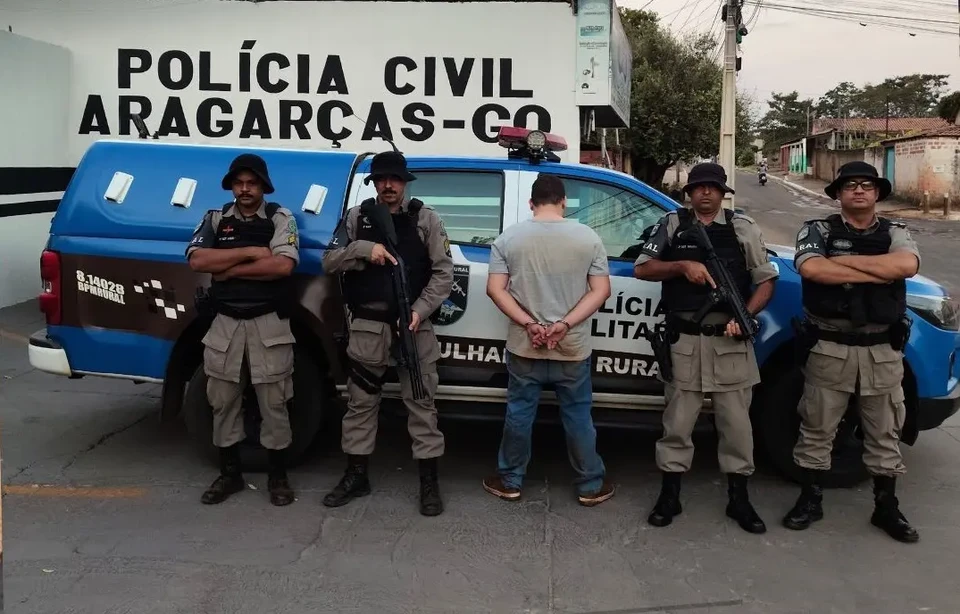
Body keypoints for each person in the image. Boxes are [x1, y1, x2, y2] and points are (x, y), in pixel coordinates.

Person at [633, 162, 778, 534]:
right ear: (690, 192)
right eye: (699, 187)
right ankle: (670, 494)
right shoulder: (672, 224)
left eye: (713, 187)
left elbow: (765, 281)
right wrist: (682, 265)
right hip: (684, 342)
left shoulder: (742, 228)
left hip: (730, 341)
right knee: (677, 424)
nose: (706, 193)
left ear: (723, 192)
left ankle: (739, 497)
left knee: (737, 426)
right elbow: (643, 268)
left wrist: (743, 315)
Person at [783, 161, 921, 543]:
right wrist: (880, 270)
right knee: (816, 428)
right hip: (830, 347)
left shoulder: (897, 231)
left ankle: (885, 507)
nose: (858, 191)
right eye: (850, 186)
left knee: (885, 431)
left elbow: (907, 265)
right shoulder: (818, 230)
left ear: (877, 193)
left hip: (881, 351)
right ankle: (810, 499)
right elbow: (813, 270)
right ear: (839, 194)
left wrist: (843, 263)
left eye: (866, 185)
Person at [321, 150, 453, 517]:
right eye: (382, 180)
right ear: (374, 183)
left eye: (395, 179)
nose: (388, 185)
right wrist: (364, 249)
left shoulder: (426, 219)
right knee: (361, 403)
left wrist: (419, 310)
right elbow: (329, 260)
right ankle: (356, 475)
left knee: (422, 404)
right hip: (367, 324)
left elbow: (444, 274)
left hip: (414, 325)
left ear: (405, 182)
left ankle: (429, 482)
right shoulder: (356, 218)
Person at [482, 173, 615, 507]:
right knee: (579, 417)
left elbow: (495, 289)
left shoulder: (508, 239)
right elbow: (601, 291)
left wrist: (530, 324)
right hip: (571, 348)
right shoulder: (588, 238)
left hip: (525, 346)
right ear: (563, 201)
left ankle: (510, 480)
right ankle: (590, 484)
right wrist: (564, 325)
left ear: (531, 203)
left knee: (519, 414)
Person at [186, 153, 300, 507]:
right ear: (232, 186)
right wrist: (252, 252)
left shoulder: (281, 218)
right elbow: (196, 260)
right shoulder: (215, 219)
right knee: (223, 401)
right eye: (239, 183)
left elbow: (282, 265)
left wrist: (228, 269)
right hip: (226, 324)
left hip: (269, 322)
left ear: (263, 186)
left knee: (274, 402)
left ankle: (277, 476)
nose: (245, 189)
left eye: (252, 183)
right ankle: (229, 473)